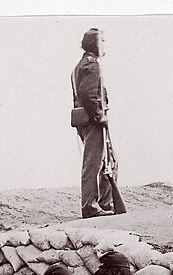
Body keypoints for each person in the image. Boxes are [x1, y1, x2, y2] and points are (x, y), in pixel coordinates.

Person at [72, 28, 113, 219]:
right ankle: (92, 206)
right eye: (102, 40)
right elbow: (88, 95)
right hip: (93, 122)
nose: (104, 44)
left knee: (104, 162)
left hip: (86, 122)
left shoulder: (80, 65)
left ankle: (104, 204)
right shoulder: (92, 64)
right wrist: (99, 116)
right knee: (94, 164)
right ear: (93, 44)